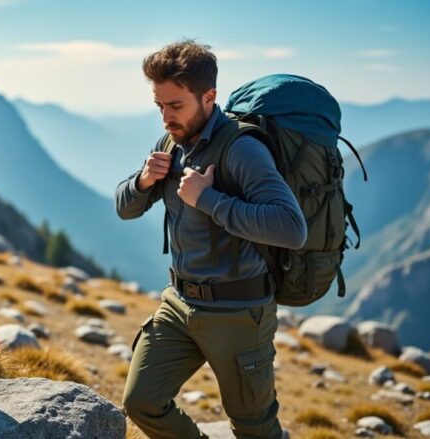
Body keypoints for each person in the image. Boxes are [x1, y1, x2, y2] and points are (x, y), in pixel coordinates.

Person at [116, 40, 307, 439]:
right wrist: (143, 181)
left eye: (175, 105)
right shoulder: (171, 142)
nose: (166, 117)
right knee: (141, 402)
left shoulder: (242, 149)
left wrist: (208, 199)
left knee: (254, 428)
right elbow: (125, 208)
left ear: (209, 97)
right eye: (159, 106)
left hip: (238, 313)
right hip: (179, 303)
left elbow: (291, 227)